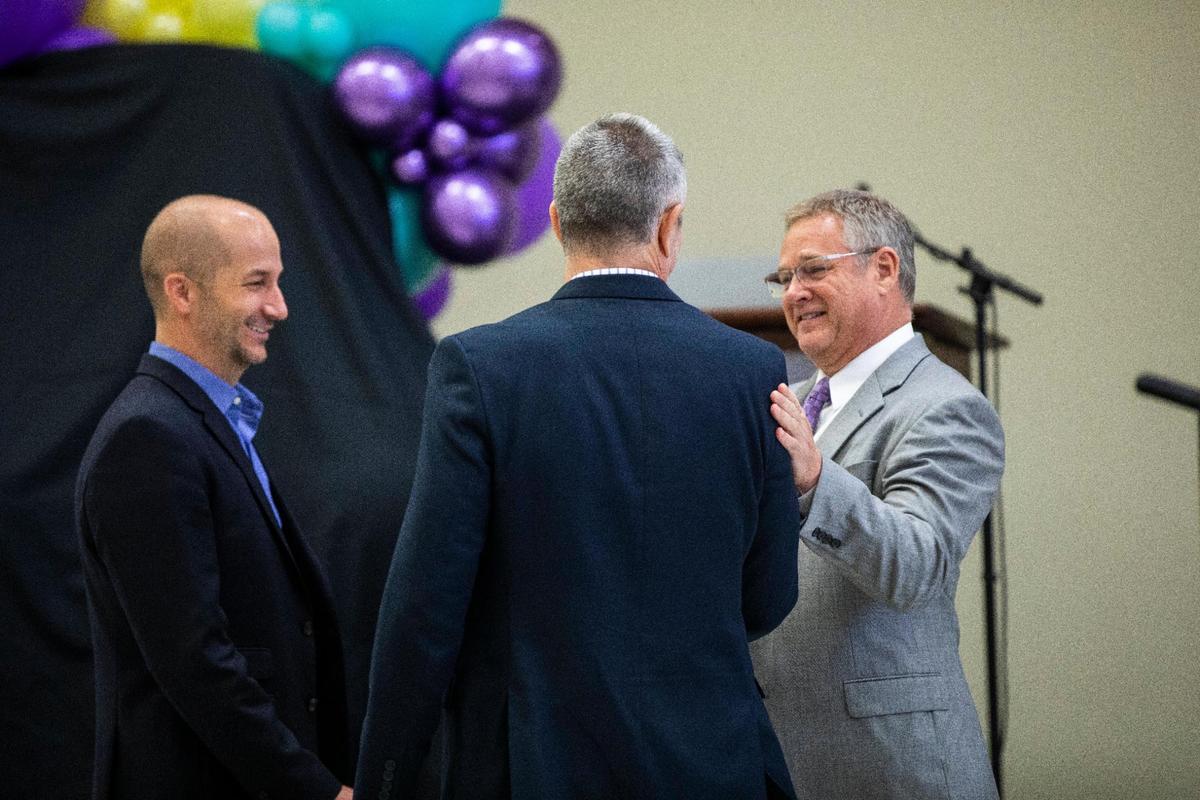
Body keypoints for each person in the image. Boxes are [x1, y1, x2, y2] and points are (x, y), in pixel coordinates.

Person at [355, 114, 801, 799]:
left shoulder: (480, 366)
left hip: (536, 764)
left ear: (558, 222)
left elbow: (427, 604)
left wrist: (382, 779)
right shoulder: (753, 371)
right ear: (668, 225)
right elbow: (767, 598)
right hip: (712, 763)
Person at [75, 195, 352, 800]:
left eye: (278, 281)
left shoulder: (206, 423)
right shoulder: (147, 437)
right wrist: (315, 789)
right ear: (182, 292)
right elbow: (195, 660)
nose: (279, 306)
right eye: (257, 283)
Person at [750, 189, 1004, 799]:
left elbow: (917, 566)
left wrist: (816, 481)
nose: (793, 293)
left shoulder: (946, 406)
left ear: (884, 268)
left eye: (813, 270)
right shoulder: (790, 402)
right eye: (784, 278)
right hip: (780, 758)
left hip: (893, 766)